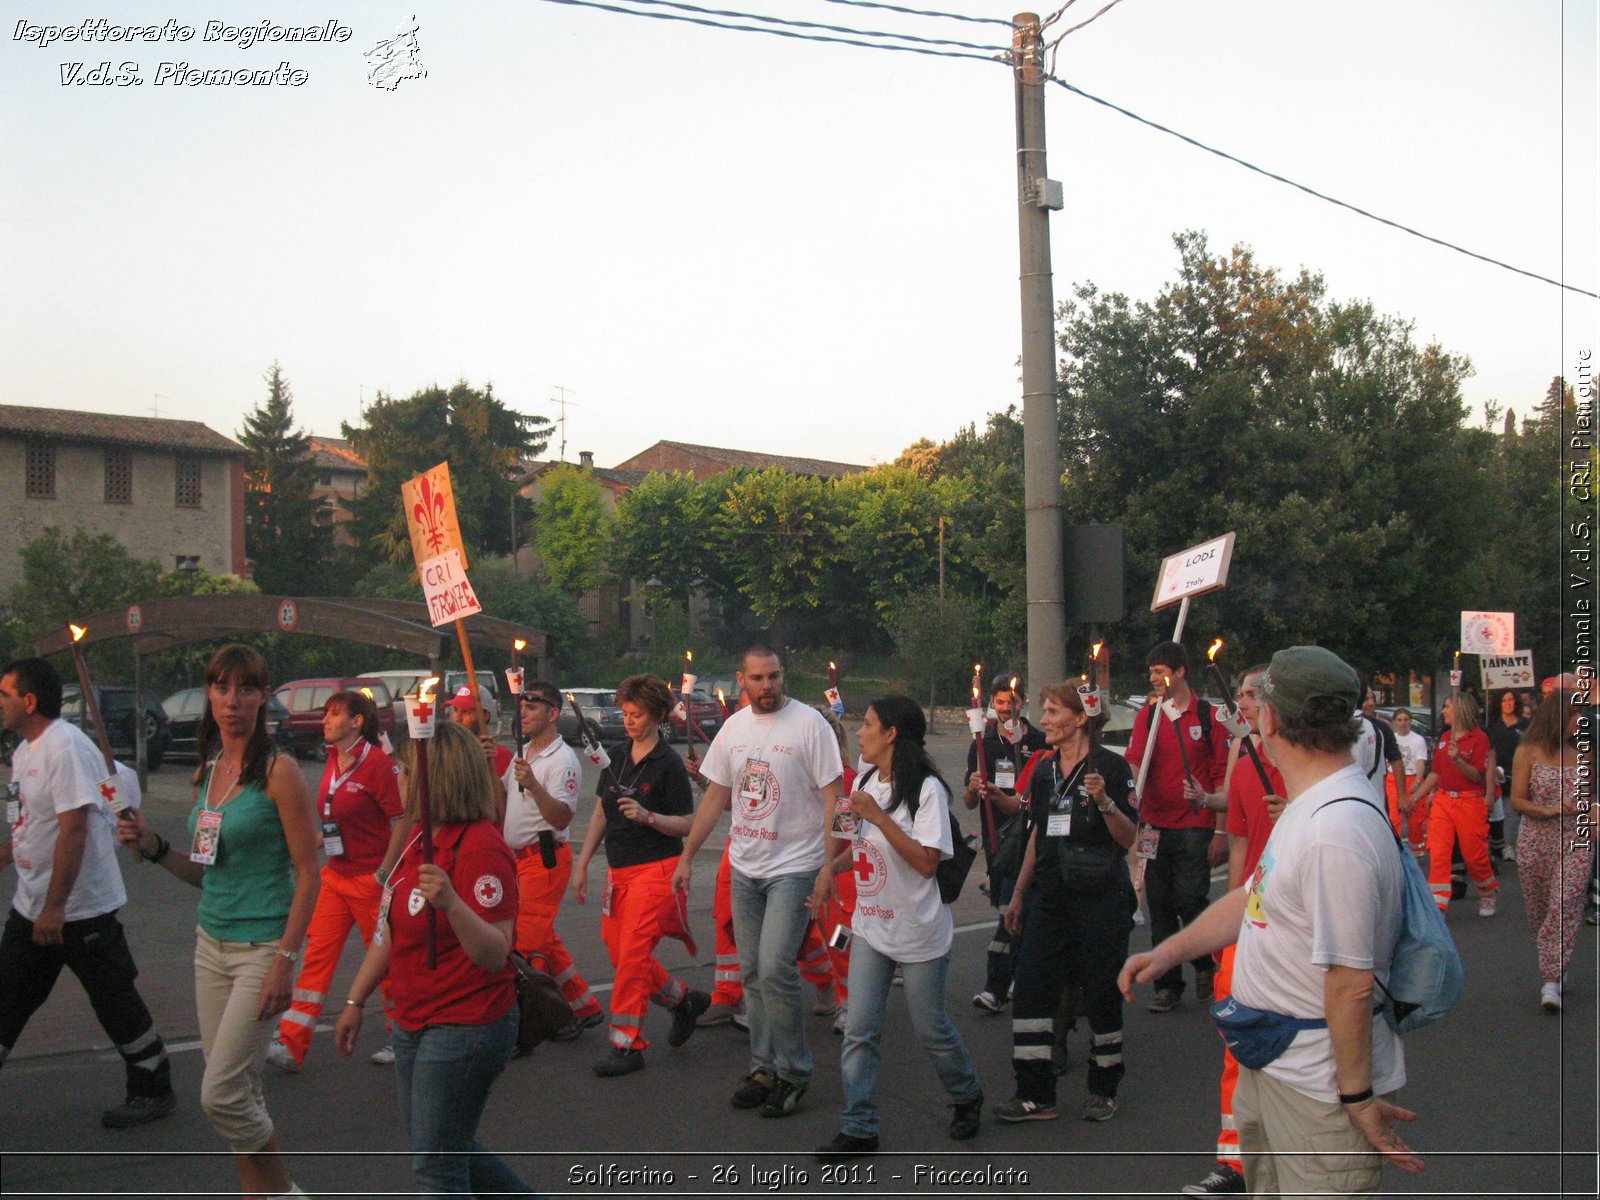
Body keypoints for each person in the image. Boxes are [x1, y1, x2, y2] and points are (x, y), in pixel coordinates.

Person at [1120, 645, 1424, 1197]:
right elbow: (1254, 899)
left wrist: (1355, 1098)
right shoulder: (1307, 804)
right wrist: (1169, 951)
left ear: (1274, 718)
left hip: (1318, 1091)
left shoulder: (1336, 831)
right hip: (1275, 1067)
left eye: (1257, 702)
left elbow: (1351, 983)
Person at [118, 644, 320, 1199]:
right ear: (209, 694)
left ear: (262, 697)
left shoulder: (278, 773)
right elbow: (207, 874)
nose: (233, 701)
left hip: (262, 949)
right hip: (211, 945)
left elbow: (309, 873)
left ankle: (283, 1193)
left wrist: (284, 961)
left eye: (246, 689)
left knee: (221, 1095)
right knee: (243, 1089)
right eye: (223, 688)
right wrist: (155, 846)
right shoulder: (207, 772)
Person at [333, 719, 533, 1198]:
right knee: (442, 1147)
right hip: (414, 1018)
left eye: (404, 770)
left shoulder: (482, 849)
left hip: (466, 1024)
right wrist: (355, 1000)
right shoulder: (418, 842)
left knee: (435, 1167)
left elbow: (495, 953)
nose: (398, 779)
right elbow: (389, 933)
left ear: (434, 777)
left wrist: (453, 905)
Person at [0, 657, 176, 1128]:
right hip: (32, 908)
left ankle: (153, 1087)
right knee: (8, 997)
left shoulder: (65, 747)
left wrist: (55, 908)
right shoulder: (23, 751)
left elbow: (73, 828)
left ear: (29, 701)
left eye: (4, 695)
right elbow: (29, 827)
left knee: (115, 1001)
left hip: (80, 911)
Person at [673, 645, 844, 1118]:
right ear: (740, 680)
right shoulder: (734, 728)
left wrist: (829, 865)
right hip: (747, 868)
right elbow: (714, 799)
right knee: (752, 974)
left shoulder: (810, 725)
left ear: (783, 676)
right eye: (757, 678)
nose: (767, 686)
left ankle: (793, 1072)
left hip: (795, 867)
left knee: (774, 968)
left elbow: (835, 797)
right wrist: (687, 856)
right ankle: (763, 1066)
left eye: (774, 677)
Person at [817, 696, 983, 1159]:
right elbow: (858, 842)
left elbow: (927, 862)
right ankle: (859, 1127)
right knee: (859, 1031)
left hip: (919, 931)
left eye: (868, 724)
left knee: (931, 1029)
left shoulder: (926, 789)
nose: (861, 732)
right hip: (871, 927)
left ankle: (967, 1093)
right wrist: (833, 868)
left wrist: (878, 816)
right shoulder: (866, 781)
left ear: (891, 733)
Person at [994, 682, 1137, 1125]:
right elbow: (1037, 831)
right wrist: (1019, 894)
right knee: (1033, 986)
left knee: (1100, 992)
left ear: (1080, 718)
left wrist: (1104, 801)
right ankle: (1035, 1093)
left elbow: (1130, 837)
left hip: (1100, 899)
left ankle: (1103, 1086)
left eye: (1054, 711)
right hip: (1050, 897)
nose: (1045, 720)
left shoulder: (1112, 767)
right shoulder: (1043, 769)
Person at [1182, 664, 1286, 1197]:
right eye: (1240, 694)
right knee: (1236, 1037)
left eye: (1251, 695)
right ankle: (1234, 1162)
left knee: (1301, 1049)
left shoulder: (1309, 765)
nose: (1241, 703)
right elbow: (1242, 859)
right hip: (1252, 922)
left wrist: (1295, 811)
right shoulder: (1244, 763)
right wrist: (1230, 928)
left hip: (1302, 929)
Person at [573, 674, 708, 1077]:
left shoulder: (667, 764)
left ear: (659, 716)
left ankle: (627, 1044)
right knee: (619, 953)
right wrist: (582, 865)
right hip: (619, 872)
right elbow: (600, 812)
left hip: (657, 869)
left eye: (638, 714)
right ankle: (682, 999)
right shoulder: (614, 756)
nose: (630, 721)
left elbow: (687, 824)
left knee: (631, 958)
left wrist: (648, 817)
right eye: (626, 714)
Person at [269, 689, 409, 1072]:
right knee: (316, 955)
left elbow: (402, 820)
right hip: (335, 876)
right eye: (326, 714)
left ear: (357, 722)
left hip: (370, 880)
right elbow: (338, 812)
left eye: (334, 714)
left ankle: (403, 1035)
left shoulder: (380, 764)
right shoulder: (332, 758)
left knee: (384, 963)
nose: (325, 720)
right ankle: (291, 1042)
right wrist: (318, 840)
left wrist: (384, 871)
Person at [1125, 641, 1231, 1012]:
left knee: (1189, 897)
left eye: (1160, 671)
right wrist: (1129, 801)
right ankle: (1169, 984)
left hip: (1194, 824)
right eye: (1151, 672)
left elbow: (1221, 775)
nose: (1154, 678)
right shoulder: (1149, 716)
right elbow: (1135, 760)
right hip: (1155, 824)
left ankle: (1203, 958)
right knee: (1159, 904)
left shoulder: (1207, 716)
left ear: (1181, 671)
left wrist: (1220, 831)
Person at [502, 679, 605, 1041]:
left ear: (553, 714)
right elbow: (500, 801)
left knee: (522, 946)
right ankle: (584, 1005)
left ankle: (525, 1024)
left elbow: (561, 817)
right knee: (543, 939)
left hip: (543, 860)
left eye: (532, 706)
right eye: (522, 705)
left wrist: (532, 784)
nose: (523, 712)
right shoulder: (524, 752)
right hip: (517, 862)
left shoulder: (562, 760)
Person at [963, 673, 1048, 1014]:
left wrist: (1009, 798)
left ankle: (996, 985)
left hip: (1028, 837)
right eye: (999, 703)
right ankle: (1019, 970)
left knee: (1011, 907)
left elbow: (1030, 796)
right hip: (997, 839)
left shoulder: (1040, 741)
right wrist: (974, 788)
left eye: (1011, 702)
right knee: (1008, 904)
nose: (1005, 708)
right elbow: (970, 801)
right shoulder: (982, 743)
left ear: (1021, 702)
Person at [1509, 690, 1594, 1012]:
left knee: (1565, 903)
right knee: (1540, 912)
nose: (1580, 725)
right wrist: (1547, 810)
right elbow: (1517, 800)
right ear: (1558, 718)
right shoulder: (1527, 752)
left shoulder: (1584, 753)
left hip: (1574, 839)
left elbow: (1588, 801)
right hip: (1535, 839)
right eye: (1576, 718)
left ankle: (1551, 979)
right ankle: (1557, 965)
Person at [1414, 693, 1498, 915]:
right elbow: (1436, 774)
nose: (1443, 711)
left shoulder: (1479, 738)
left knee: (1474, 855)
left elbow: (1476, 775)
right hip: (1443, 800)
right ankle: (1437, 903)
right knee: (1439, 851)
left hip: (1470, 802)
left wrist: (1458, 759)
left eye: (1447, 707)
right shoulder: (1443, 738)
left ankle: (1487, 891)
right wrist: (1415, 798)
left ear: (1460, 710)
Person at [1485, 688, 1528, 862]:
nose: (1508, 704)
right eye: (1504, 700)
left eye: (1511, 700)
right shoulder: (1493, 725)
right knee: (1495, 811)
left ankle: (1509, 845)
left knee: (1511, 811)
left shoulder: (1525, 725)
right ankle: (1495, 844)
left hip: (1516, 772)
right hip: (1495, 773)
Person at [1387, 709, 1431, 855]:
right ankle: (1395, 850)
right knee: (1394, 816)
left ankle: (1417, 851)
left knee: (1416, 818)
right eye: (1399, 720)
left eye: (1406, 719)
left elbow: (1420, 762)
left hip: (1412, 778)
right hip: (1393, 779)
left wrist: (1418, 780)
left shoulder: (1418, 740)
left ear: (1410, 721)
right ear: (1394, 722)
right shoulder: (1391, 739)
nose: (1403, 723)